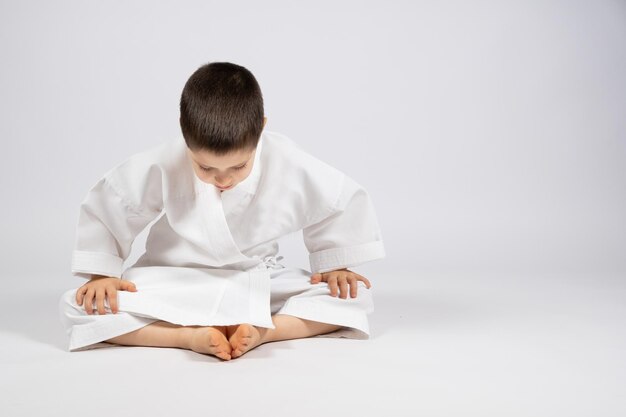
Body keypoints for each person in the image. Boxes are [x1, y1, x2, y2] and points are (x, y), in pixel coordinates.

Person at [58, 61, 385, 361]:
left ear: (261, 128)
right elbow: (111, 204)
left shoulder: (287, 161)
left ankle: (266, 331)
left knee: (351, 298)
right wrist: (102, 275)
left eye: (238, 166)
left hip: (257, 280)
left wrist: (335, 265)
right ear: (185, 135)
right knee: (81, 305)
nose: (223, 179)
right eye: (206, 167)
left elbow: (335, 201)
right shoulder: (164, 161)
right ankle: (185, 337)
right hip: (173, 278)